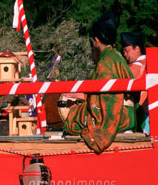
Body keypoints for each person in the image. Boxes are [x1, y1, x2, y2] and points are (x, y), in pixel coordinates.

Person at [63, 12, 135, 153]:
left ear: (96, 40)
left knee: (72, 119)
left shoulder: (106, 63)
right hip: (128, 113)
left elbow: (105, 100)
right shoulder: (117, 56)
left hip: (117, 114)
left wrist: (82, 100)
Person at [120, 31, 149, 133]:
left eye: (126, 51)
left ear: (137, 48)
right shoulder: (149, 64)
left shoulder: (136, 66)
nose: (124, 54)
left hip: (140, 111)